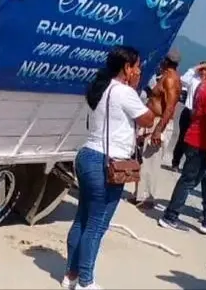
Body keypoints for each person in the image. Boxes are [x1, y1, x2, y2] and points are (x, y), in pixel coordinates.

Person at [63, 45, 158, 290]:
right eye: (137, 67)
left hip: (88, 156)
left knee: (82, 219)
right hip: (108, 162)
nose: (139, 71)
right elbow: (148, 118)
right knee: (96, 224)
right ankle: (86, 281)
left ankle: (71, 276)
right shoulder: (125, 93)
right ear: (127, 68)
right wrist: (137, 90)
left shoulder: (101, 87)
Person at [159, 54, 206, 237]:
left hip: (203, 143)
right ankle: (170, 216)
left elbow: (199, 112)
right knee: (189, 180)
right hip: (202, 144)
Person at [131, 48, 182, 209]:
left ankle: (147, 197)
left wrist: (159, 129)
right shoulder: (165, 77)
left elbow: (170, 107)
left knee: (151, 161)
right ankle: (140, 195)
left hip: (159, 123)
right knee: (144, 159)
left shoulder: (170, 80)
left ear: (166, 61)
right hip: (152, 121)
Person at [173, 61, 206, 169]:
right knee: (182, 138)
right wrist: (197, 67)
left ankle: (188, 165)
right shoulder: (194, 80)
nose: (203, 71)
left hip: (200, 115)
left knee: (194, 141)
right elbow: (183, 79)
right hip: (188, 111)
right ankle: (175, 162)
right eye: (202, 69)